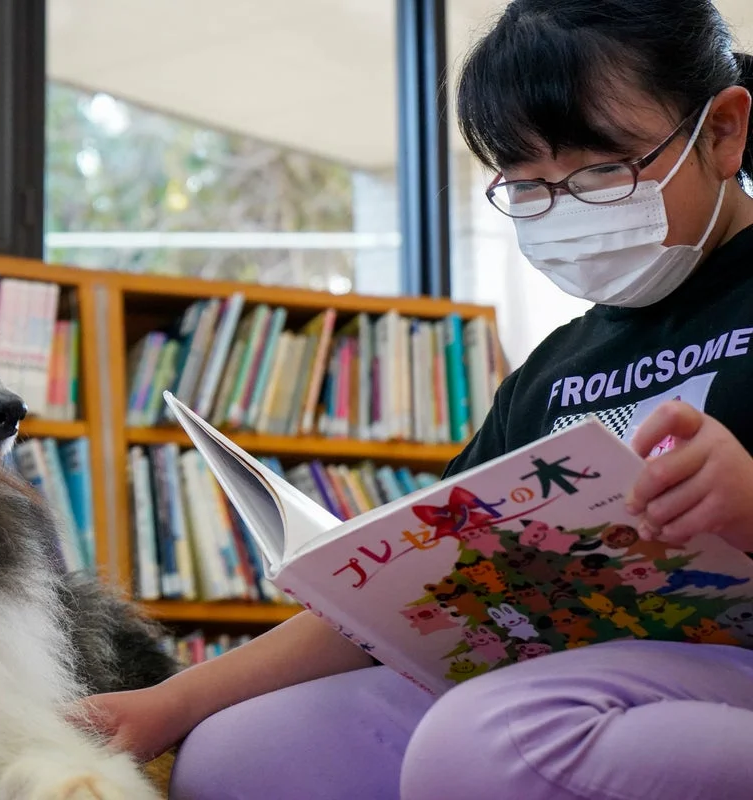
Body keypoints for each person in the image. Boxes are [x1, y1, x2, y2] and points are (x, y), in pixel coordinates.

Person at [73, 2, 753, 798]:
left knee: (492, 739)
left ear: (722, 131)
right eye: (530, 186)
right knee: (236, 756)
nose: (567, 207)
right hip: (564, 674)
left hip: (694, 675)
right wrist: (171, 702)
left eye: (603, 170)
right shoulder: (555, 367)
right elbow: (422, 596)